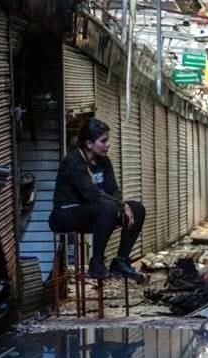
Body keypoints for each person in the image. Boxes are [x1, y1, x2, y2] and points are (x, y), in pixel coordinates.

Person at [49, 118, 146, 281]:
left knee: (137, 208)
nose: (108, 144)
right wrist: (120, 205)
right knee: (108, 207)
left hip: (95, 213)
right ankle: (97, 263)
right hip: (65, 214)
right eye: (103, 141)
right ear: (89, 144)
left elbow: (113, 190)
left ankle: (121, 260)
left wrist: (122, 205)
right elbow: (91, 193)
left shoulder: (104, 161)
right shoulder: (73, 161)